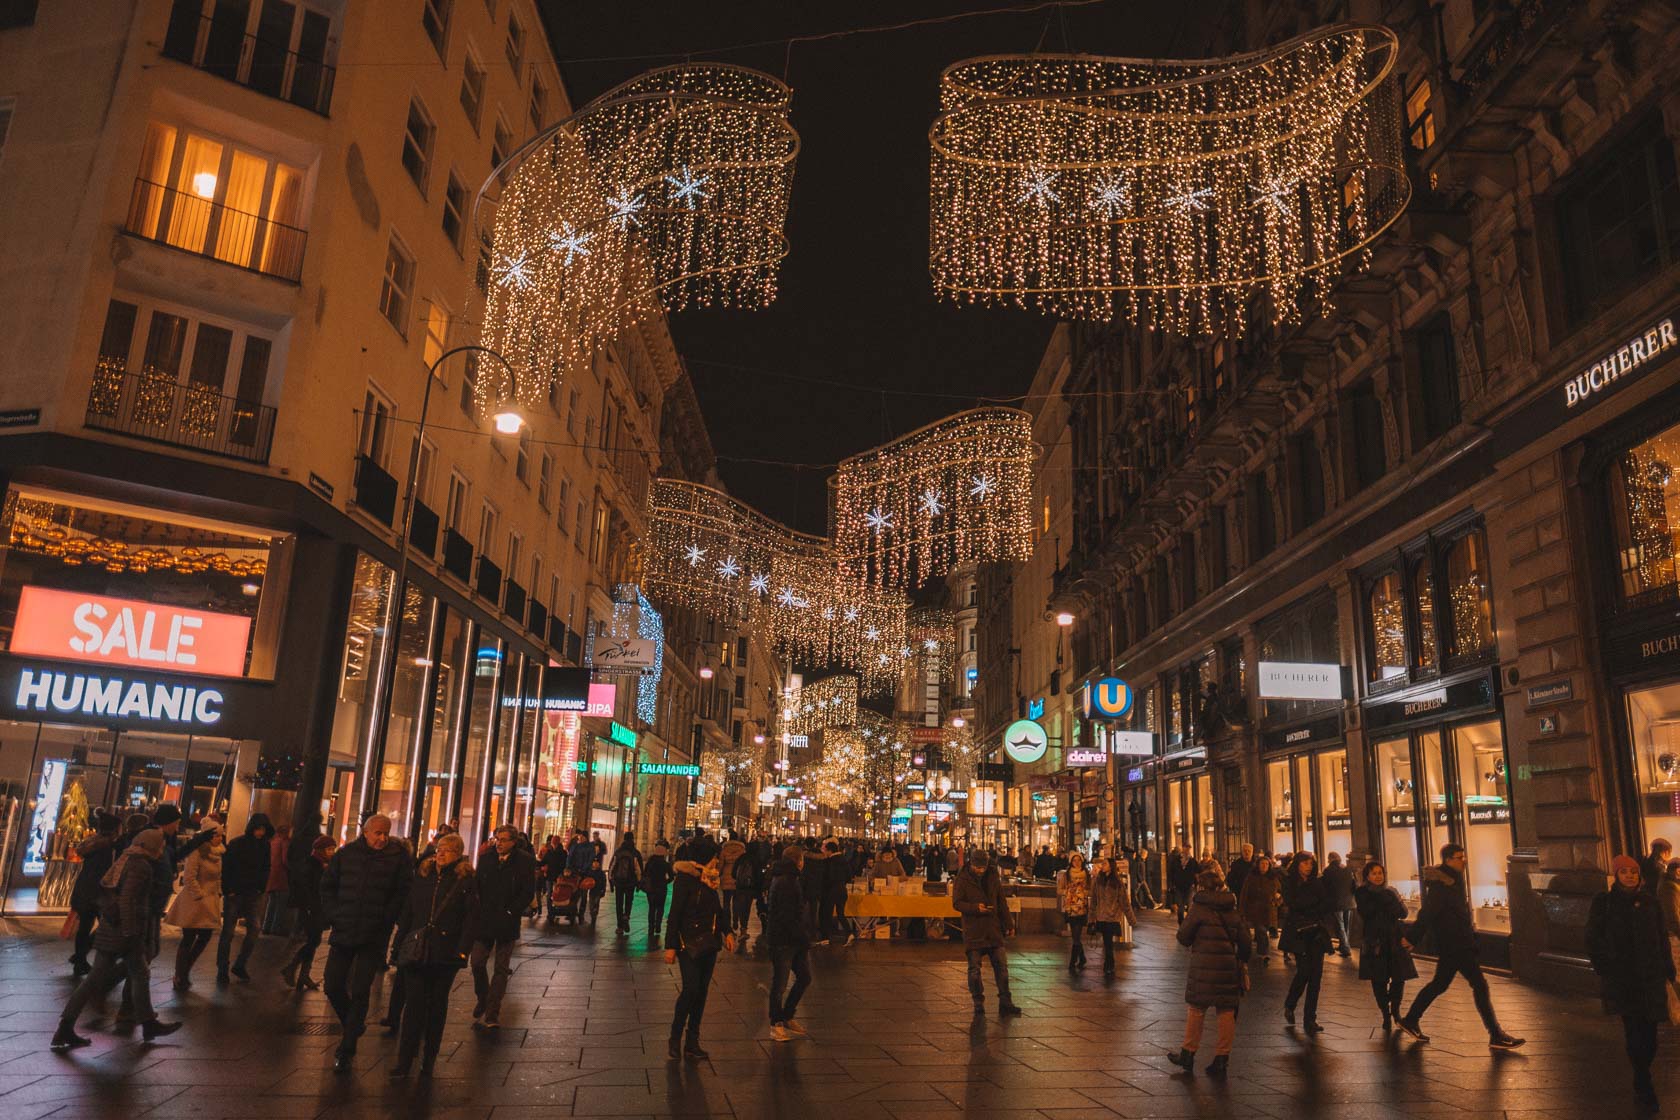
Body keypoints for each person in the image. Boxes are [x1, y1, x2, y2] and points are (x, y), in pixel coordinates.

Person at [52, 828, 181, 1048]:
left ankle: (148, 1022)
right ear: (151, 846)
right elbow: (128, 899)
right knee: (108, 978)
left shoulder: (126, 858)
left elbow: (109, 887)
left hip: (112, 927)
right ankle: (65, 1028)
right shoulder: (140, 866)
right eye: (159, 845)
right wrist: (130, 931)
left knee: (139, 974)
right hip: (123, 931)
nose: (162, 849)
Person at [1397, 843, 1524, 1049]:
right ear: (1448, 860)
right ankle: (1495, 1034)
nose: (1463, 860)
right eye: (1459, 857)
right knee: (1479, 985)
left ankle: (1411, 1019)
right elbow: (1427, 913)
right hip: (1454, 944)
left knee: (1440, 984)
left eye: (1464, 857)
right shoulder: (1442, 886)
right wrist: (1412, 937)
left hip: (1458, 943)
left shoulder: (1453, 882)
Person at [321, 813, 415, 1073]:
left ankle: (347, 1047)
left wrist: (387, 918)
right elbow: (328, 886)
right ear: (366, 832)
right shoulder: (347, 854)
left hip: (374, 934)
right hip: (344, 928)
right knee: (332, 985)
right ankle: (354, 1023)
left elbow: (404, 891)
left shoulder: (398, 857)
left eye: (386, 833)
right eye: (378, 833)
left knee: (362, 989)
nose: (383, 838)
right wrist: (334, 915)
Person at [1586, 854, 1671, 1112]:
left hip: (1652, 977)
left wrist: (1669, 969)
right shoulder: (1605, 903)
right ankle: (1643, 1082)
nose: (1630, 876)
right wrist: (1605, 967)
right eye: (1624, 872)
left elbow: (1661, 937)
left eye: (1633, 872)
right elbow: (1593, 938)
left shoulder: (1650, 902)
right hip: (1624, 979)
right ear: (1616, 875)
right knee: (1634, 1031)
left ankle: (1642, 1072)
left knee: (1651, 1035)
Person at [391, 832, 477, 1078]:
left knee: (437, 1006)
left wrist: (462, 951)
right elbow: (408, 912)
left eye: (448, 850)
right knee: (413, 1006)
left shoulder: (464, 880)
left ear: (458, 854)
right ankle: (404, 1060)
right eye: (439, 848)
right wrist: (398, 944)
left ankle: (429, 1057)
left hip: (446, 952)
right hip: (418, 950)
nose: (441, 853)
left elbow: (471, 918)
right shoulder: (423, 875)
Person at [1166, 866, 1251, 1078]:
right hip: (1227, 968)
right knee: (1226, 1012)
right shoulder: (1232, 908)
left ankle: (1188, 1054)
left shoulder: (1198, 908)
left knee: (1196, 1010)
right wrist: (1240, 959)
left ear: (1200, 887)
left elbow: (1183, 937)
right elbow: (1246, 942)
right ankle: (1222, 1058)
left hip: (1202, 967)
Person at [665, 837, 734, 1060]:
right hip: (688, 943)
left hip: (709, 943)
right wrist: (670, 946)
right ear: (704, 858)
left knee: (702, 993)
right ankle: (675, 1038)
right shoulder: (685, 880)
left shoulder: (710, 880)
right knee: (690, 989)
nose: (717, 863)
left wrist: (728, 931)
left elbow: (718, 910)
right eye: (714, 858)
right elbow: (674, 914)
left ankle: (692, 1041)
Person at [470, 824, 536, 1029]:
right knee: (477, 962)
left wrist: (512, 911)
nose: (499, 843)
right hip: (485, 919)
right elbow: (477, 886)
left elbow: (527, 891)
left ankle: (492, 1012)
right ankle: (483, 997)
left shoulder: (524, 861)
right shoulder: (487, 858)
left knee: (501, 968)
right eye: (497, 839)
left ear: (514, 842)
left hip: (507, 921)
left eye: (503, 840)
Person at [952, 848, 1022, 1016]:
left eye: (983, 867)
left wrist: (1009, 923)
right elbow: (957, 903)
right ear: (971, 864)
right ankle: (978, 1002)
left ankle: (1005, 1001)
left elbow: (1001, 900)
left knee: (1002, 967)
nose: (980, 870)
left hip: (993, 928)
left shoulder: (993, 876)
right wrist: (976, 908)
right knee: (974, 969)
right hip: (974, 929)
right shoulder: (962, 879)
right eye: (977, 867)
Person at [1354, 860, 1416, 1030]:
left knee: (1399, 977)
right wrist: (1386, 898)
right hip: (1375, 941)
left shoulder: (1390, 892)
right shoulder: (1362, 892)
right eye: (1374, 873)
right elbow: (1368, 912)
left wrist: (1391, 898)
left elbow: (1402, 913)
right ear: (1367, 876)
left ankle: (1395, 1010)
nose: (1378, 876)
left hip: (1394, 939)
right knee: (1378, 979)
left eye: (1380, 873)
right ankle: (1385, 1013)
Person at [165, 817, 224, 989]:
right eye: (216, 836)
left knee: (205, 936)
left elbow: (218, 877)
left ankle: (184, 971)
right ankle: (180, 974)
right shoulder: (197, 852)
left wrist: (217, 893)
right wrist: (199, 894)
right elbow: (189, 877)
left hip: (210, 899)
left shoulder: (219, 853)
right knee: (189, 936)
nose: (219, 839)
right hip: (194, 900)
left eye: (221, 835)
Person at [216, 812, 273, 984]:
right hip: (238, 891)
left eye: (263, 829)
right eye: (258, 829)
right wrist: (228, 889)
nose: (260, 833)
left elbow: (265, 868)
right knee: (228, 932)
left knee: (253, 929)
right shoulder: (238, 844)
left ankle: (238, 964)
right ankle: (224, 967)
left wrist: (260, 887)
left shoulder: (264, 846)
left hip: (251, 892)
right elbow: (227, 867)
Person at [1279, 851, 1331, 1033]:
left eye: (1310, 863)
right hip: (1298, 933)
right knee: (1304, 972)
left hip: (1316, 933)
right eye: (1305, 863)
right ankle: (1290, 1003)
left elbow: (1326, 904)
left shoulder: (1317, 882)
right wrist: (1312, 904)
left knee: (1316, 977)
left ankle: (1310, 1019)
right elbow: (1294, 903)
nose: (1308, 866)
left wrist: (1309, 905)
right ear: (1297, 865)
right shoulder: (1290, 882)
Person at [766, 844, 812, 1041]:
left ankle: (787, 1015)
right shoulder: (787, 881)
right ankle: (776, 1023)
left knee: (804, 977)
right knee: (780, 983)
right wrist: (802, 936)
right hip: (784, 939)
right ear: (798, 861)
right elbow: (787, 915)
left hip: (793, 938)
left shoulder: (789, 878)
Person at [67, 810, 120, 977]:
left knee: (85, 926)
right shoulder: (109, 847)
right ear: (114, 829)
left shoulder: (91, 844)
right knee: (109, 926)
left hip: (84, 889)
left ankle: (80, 959)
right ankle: (86, 958)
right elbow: (107, 872)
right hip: (100, 892)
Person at [282, 835, 336, 991]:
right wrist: (310, 906)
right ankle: (292, 968)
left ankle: (302, 974)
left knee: (314, 941)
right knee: (313, 941)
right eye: (329, 849)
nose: (332, 852)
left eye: (333, 849)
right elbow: (306, 888)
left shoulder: (325, 865)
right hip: (311, 909)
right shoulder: (311, 864)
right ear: (320, 850)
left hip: (318, 908)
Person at [1089, 856, 1137, 976]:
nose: (1102, 866)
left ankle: (1109, 964)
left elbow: (1125, 903)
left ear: (1111, 866)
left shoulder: (1117, 883)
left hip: (1112, 917)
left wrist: (1131, 920)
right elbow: (1094, 901)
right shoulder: (1098, 881)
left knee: (1108, 942)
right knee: (1107, 942)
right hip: (1101, 917)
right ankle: (1109, 964)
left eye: (1105, 864)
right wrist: (1091, 919)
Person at [1239, 854, 1280, 964]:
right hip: (1254, 909)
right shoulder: (1251, 877)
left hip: (1268, 910)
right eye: (1262, 864)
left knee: (1262, 931)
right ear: (1258, 865)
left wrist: (1277, 901)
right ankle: (1263, 953)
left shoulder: (1273, 878)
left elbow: (1280, 893)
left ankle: (1261, 952)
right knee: (1261, 930)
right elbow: (1244, 893)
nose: (1264, 866)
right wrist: (1242, 909)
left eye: (1266, 864)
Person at [1056, 851, 1092, 972]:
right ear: (1071, 862)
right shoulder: (1067, 875)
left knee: (1076, 936)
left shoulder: (1086, 874)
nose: (1077, 863)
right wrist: (1069, 892)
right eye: (1074, 860)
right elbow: (1059, 890)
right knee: (1075, 936)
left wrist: (1083, 892)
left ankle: (1072, 962)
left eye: (1079, 860)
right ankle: (1081, 958)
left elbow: (1090, 889)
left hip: (1081, 907)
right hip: (1071, 908)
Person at [609, 830, 644, 937]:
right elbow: (639, 869)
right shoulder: (635, 852)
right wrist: (639, 883)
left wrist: (611, 881)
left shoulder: (618, 852)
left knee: (619, 903)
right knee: (629, 901)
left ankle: (619, 926)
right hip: (631, 882)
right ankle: (626, 916)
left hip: (619, 882)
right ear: (632, 839)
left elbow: (612, 867)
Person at [1321, 852, 1354, 958]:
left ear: (1330, 859)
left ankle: (1345, 948)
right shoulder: (1347, 869)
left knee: (1340, 926)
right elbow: (1354, 885)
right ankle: (1343, 944)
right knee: (1346, 926)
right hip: (1349, 902)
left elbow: (1324, 887)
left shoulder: (1328, 871)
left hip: (1336, 902)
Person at [263, 824, 292, 934]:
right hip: (281, 876)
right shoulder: (284, 842)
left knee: (272, 902)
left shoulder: (273, 841)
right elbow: (285, 860)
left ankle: (266, 926)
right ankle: (276, 928)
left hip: (272, 875)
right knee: (280, 905)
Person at [644, 839, 673, 941]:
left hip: (651, 889)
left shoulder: (650, 863)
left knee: (651, 908)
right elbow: (671, 876)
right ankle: (658, 926)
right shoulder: (665, 864)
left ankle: (650, 928)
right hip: (661, 889)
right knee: (660, 908)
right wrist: (666, 882)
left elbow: (645, 874)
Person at [718, 830, 747, 933]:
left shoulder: (724, 849)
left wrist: (719, 873)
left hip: (726, 878)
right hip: (737, 878)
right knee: (736, 901)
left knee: (726, 902)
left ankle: (727, 922)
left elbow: (721, 864)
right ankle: (735, 920)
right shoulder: (742, 850)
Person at [1170, 843, 1198, 922]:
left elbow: (1197, 872)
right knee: (1180, 907)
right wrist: (1172, 884)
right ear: (1183, 848)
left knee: (1190, 906)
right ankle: (1181, 922)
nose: (1187, 850)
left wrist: (1195, 884)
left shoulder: (1192, 861)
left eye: (1188, 848)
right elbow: (1172, 872)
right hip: (1179, 886)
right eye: (1186, 848)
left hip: (1189, 886)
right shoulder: (1176, 860)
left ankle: (1188, 924)